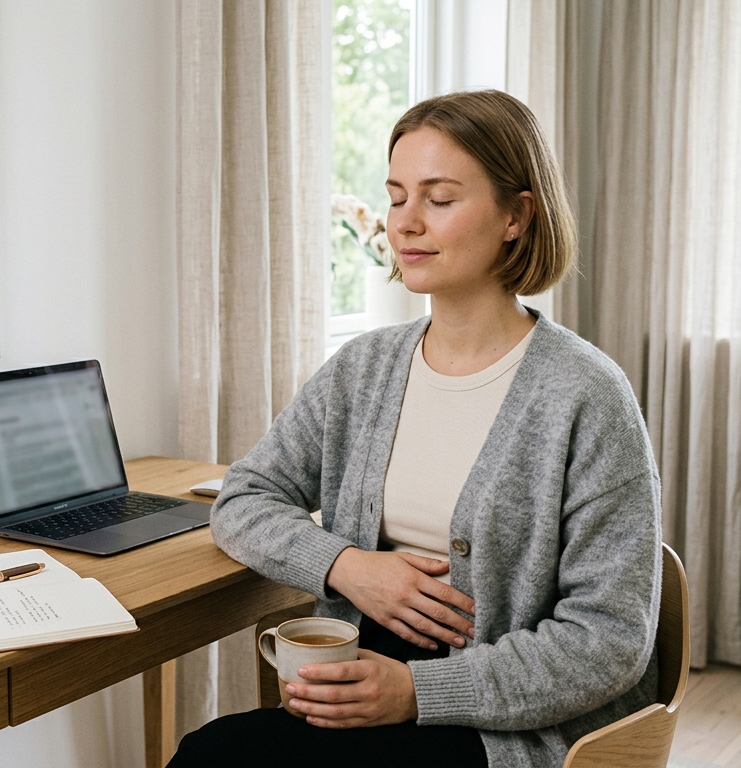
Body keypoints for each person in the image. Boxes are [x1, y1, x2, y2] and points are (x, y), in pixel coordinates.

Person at [168, 89, 662, 768]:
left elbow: (610, 643)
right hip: (358, 689)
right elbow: (244, 499)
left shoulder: (587, 395)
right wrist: (348, 566)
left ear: (516, 215)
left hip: (502, 727)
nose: (405, 223)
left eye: (439, 198)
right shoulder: (364, 369)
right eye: (397, 196)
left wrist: (416, 691)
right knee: (208, 754)